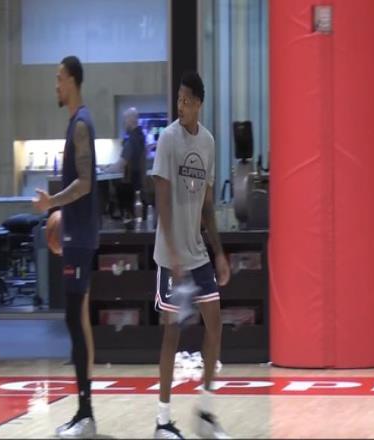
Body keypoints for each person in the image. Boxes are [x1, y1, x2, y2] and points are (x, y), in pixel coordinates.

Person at [152, 71, 231, 439]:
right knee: (172, 333)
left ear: (199, 104)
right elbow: (162, 199)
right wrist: (172, 253)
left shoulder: (209, 142)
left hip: (198, 255)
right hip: (171, 257)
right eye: (178, 100)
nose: (180, 106)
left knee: (215, 326)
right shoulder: (168, 139)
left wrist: (219, 252)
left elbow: (208, 206)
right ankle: (162, 421)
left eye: (187, 100)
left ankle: (206, 413)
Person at [33, 56, 98, 439]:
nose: (55, 85)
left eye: (59, 78)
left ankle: (86, 414)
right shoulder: (76, 122)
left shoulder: (82, 124)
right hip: (76, 233)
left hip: (79, 237)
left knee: (74, 319)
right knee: (77, 320)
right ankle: (84, 412)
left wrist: (52, 203)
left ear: (72, 80)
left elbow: (86, 183)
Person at [102, 107, 146, 220]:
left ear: (130, 120)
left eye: (125, 120)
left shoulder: (132, 140)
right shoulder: (140, 137)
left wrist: (105, 170)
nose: (124, 124)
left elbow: (120, 165)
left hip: (130, 189)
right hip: (138, 185)